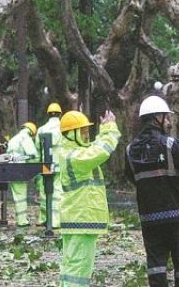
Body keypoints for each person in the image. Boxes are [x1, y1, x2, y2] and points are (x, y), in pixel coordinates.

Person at [125, 96, 179, 287]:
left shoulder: (130, 150)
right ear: (157, 117)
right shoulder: (170, 144)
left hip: (149, 217)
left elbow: (132, 178)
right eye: (166, 116)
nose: (169, 120)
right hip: (176, 215)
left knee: (156, 264)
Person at [57, 109, 120, 286]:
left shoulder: (72, 152)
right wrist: (110, 129)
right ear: (72, 133)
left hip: (77, 218)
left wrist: (104, 131)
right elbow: (101, 152)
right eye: (82, 131)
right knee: (79, 269)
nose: (86, 134)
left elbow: (93, 148)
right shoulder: (74, 156)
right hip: (81, 219)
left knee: (71, 267)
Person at [6, 121, 39, 228]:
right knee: (21, 196)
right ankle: (22, 221)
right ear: (31, 132)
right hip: (20, 169)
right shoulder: (26, 138)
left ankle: (20, 219)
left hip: (11, 168)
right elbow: (33, 154)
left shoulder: (14, 138)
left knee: (17, 196)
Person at [37, 102, 64, 228]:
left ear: (48, 114)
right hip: (60, 163)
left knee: (44, 191)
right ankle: (56, 221)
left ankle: (44, 218)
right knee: (57, 191)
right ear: (60, 114)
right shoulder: (63, 128)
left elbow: (37, 147)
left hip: (45, 163)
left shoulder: (42, 129)